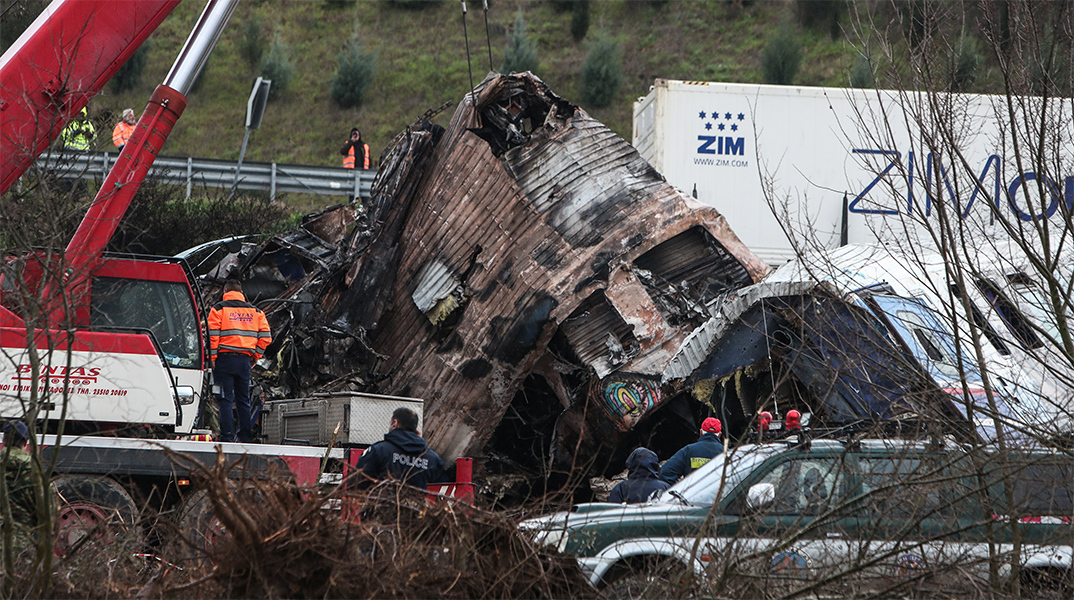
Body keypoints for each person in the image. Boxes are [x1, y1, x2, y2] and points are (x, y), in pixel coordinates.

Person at [208, 279, 272, 443]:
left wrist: (212, 358)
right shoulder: (256, 312)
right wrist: (255, 357)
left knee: (225, 400)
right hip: (244, 361)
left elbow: (212, 336)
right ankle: (244, 437)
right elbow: (266, 337)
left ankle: (226, 438)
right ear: (242, 293)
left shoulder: (218, 309)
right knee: (243, 400)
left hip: (224, 360)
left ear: (225, 292)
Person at [354, 407, 444, 490]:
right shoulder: (432, 458)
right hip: (415, 506)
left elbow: (357, 483)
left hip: (382, 505)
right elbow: (438, 480)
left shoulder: (379, 450)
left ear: (395, 423)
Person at [659, 417, 724, 484]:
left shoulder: (689, 450)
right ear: (719, 435)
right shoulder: (726, 453)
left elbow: (666, 472)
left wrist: (678, 490)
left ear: (701, 432)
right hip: (719, 493)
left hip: (693, 493)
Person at [2, 420, 38, 532]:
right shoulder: (35, 474)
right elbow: (48, 513)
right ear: (25, 443)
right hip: (24, 542)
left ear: (3, 441)